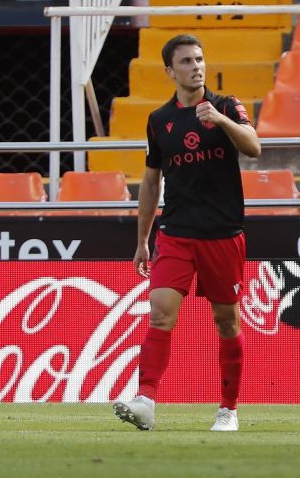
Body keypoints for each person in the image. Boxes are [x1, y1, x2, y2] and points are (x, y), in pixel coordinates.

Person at [113, 34, 261, 432]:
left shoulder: (227, 105)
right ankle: (145, 400)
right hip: (176, 233)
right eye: (187, 61)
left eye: (199, 59)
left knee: (227, 321)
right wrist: (142, 239)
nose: (196, 66)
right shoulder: (160, 120)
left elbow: (254, 147)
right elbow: (150, 181)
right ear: (169, 71)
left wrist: (221, 120)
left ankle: (228, 409)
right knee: (160, 313)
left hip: (223, 233)